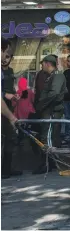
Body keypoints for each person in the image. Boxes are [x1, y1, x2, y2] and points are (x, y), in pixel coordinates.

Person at [33, 55, 67, 174]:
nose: (41, 66)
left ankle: (46, 164)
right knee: (50, 137)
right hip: (49, 111)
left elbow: (54, 93)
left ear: (48, 63)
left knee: (47, 138)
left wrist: (41, 105)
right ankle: (51, 163)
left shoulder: (57, 76)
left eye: (43, 63)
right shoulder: (53, 76)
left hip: (51, 112)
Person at [1, 39, 22, 179]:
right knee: (10, 136)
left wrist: (14, 95)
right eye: (3, 52)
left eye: (7, 55)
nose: (4, 57)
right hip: (4, 108)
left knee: (10, 138)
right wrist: (12, 118)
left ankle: (6, 170)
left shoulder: (9, 72)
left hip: (6, 108)